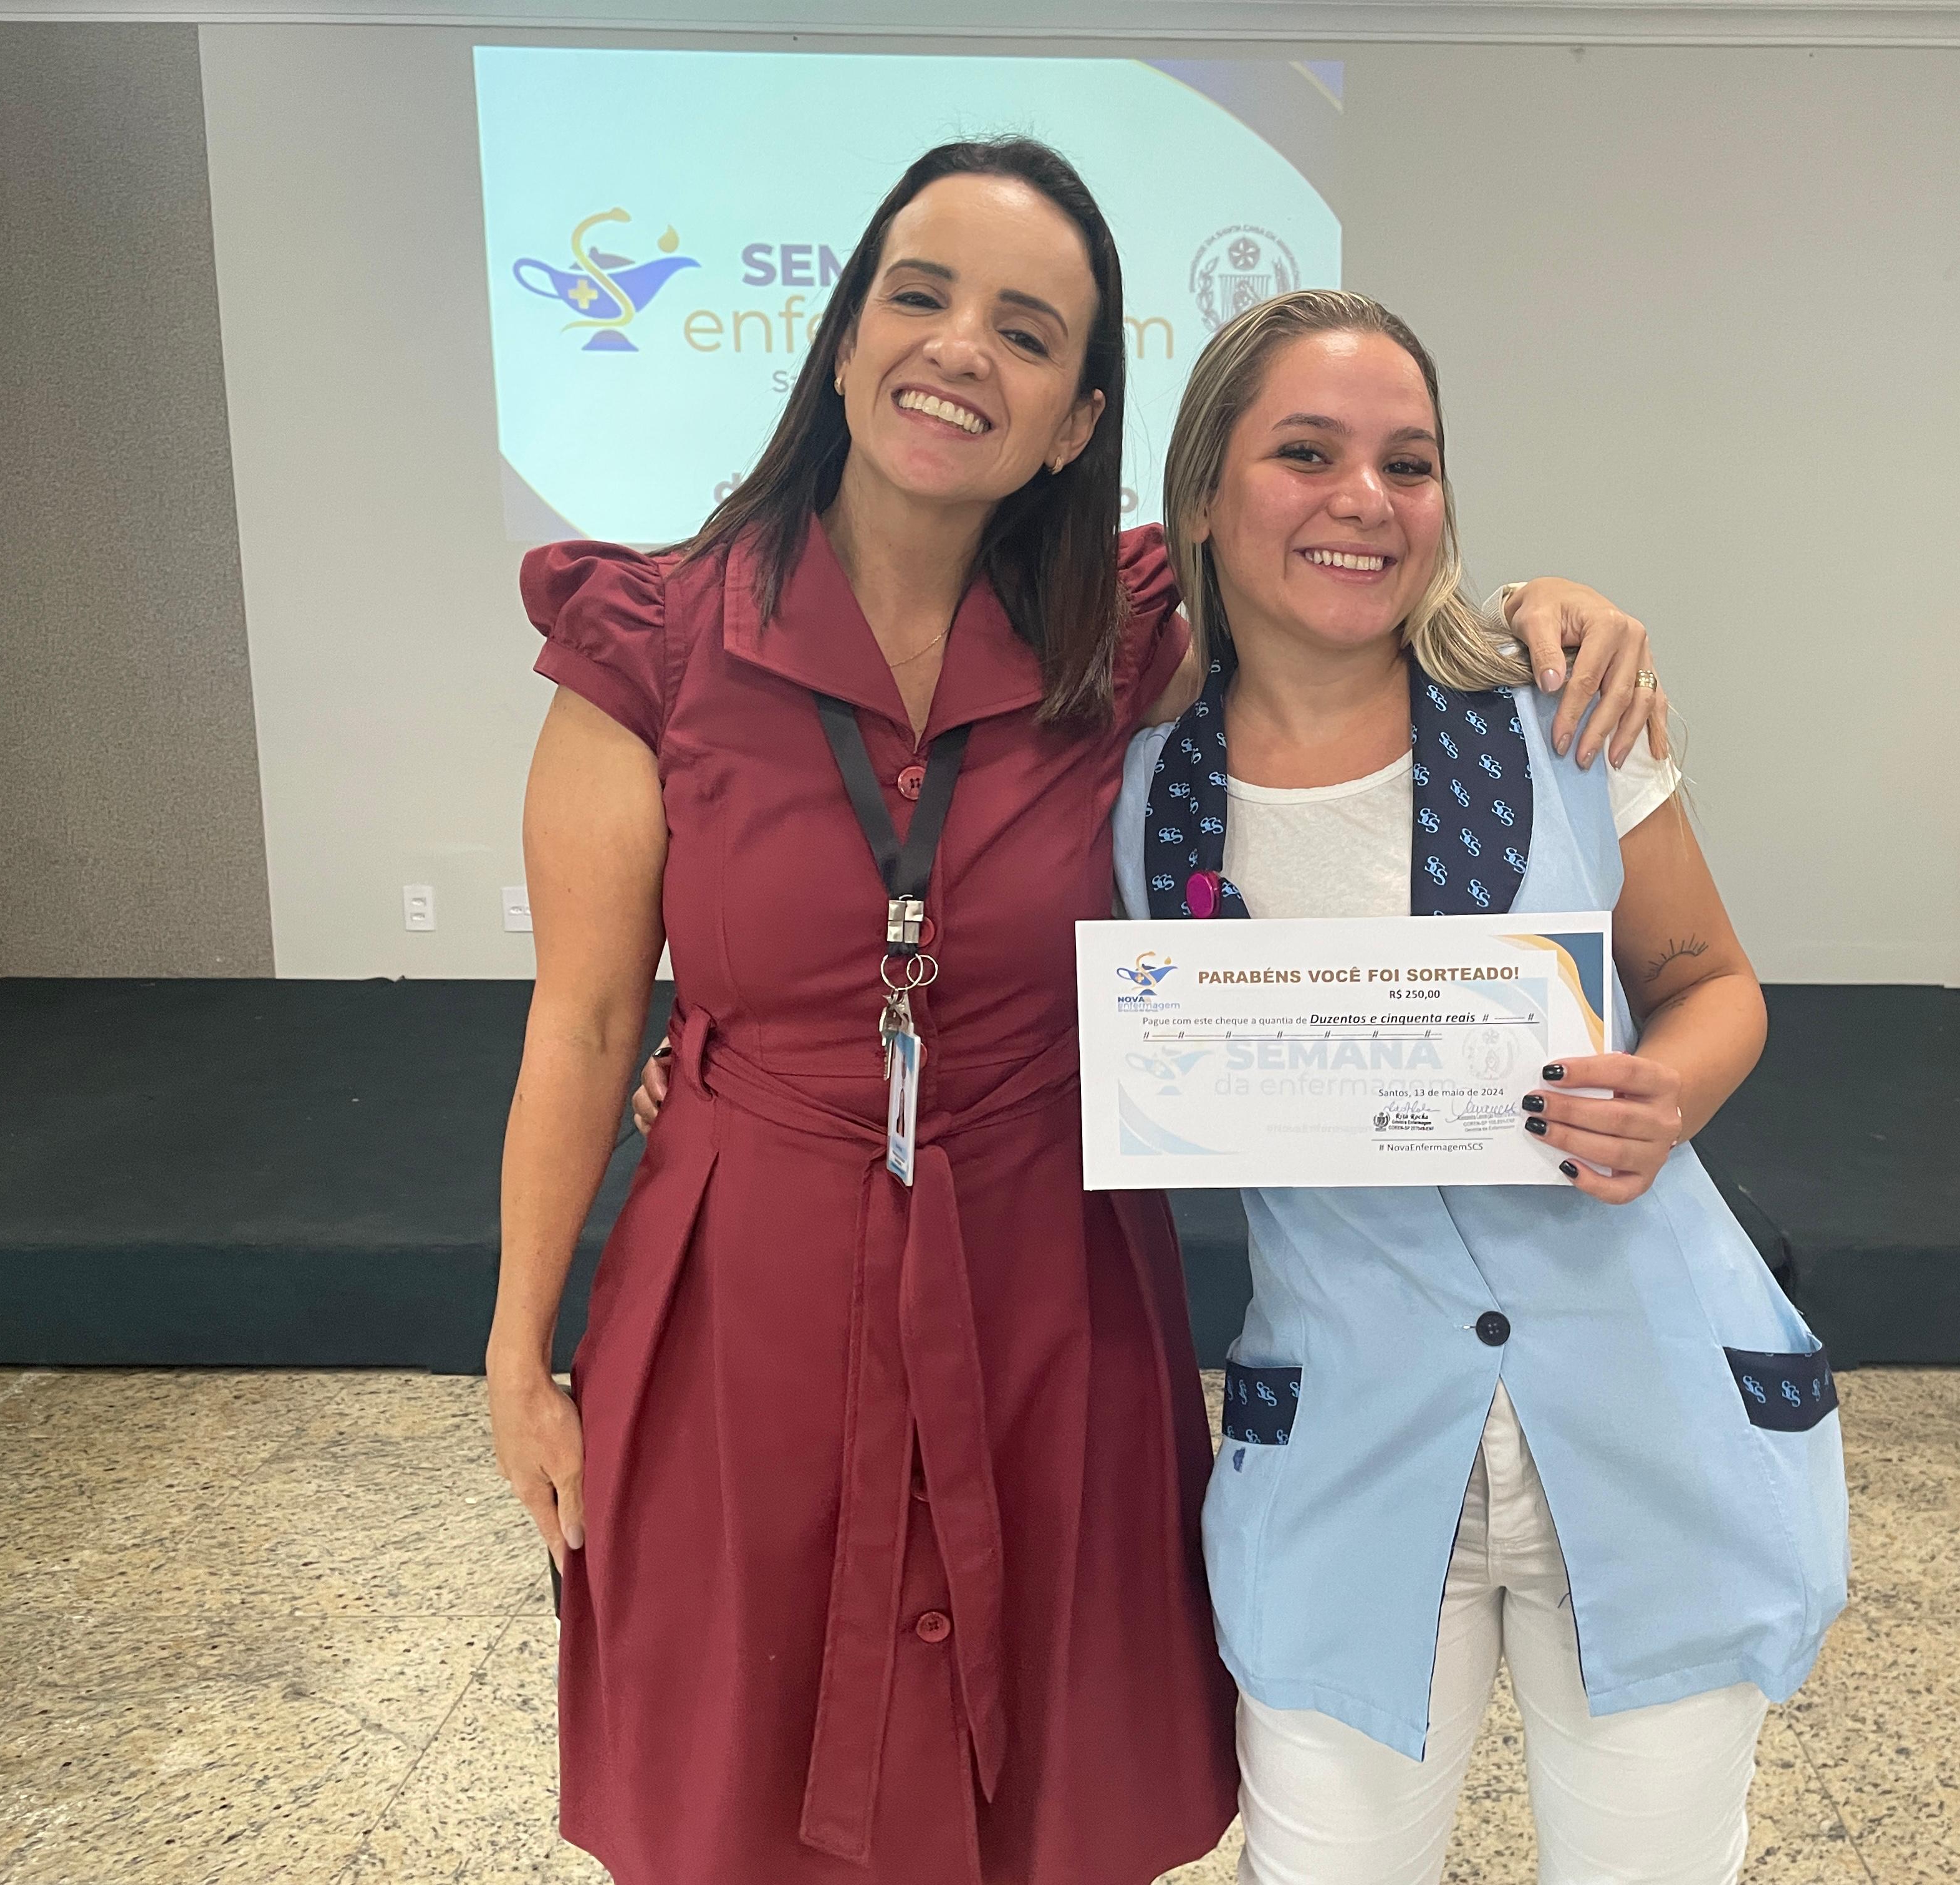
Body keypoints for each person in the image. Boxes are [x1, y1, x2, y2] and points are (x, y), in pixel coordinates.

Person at [489, 137, 1669, 1885]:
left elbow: (1331, 576)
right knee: (740, 1754)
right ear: (841, 339)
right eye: (921, 295)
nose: (964, 346)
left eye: (1029, 332)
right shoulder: (650, 642)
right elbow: (587, 1026)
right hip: (744, 1275)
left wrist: (1531, 608)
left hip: (1045, 1271)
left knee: (1045, 1765)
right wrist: (518, 1352)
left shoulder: (1126, 638)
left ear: (1074, 420)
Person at [1110, 289, 1850, 1885]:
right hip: (1352, 1451)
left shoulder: (1565, 720)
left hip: (1648, 1421)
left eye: (1410, 461)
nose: (1366, 500)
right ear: (1205, 495)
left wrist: (1667, 1094)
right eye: (1306, 454)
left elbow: (1714, 983)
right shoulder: (1136, 792)